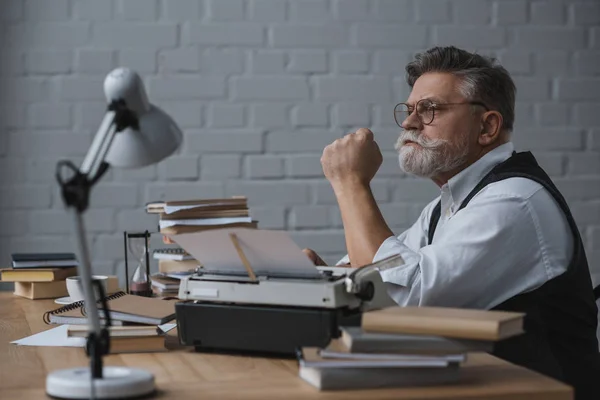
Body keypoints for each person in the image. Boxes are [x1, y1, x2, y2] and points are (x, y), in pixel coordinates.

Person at [303, 46, 600, 399]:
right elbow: (383, 276)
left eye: (430, 110)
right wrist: (328, 278)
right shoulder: (446, 206)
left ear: (487, 126)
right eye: (410, 110)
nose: (411, 123)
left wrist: (350, 182)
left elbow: (407, 299)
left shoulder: (515, 201)